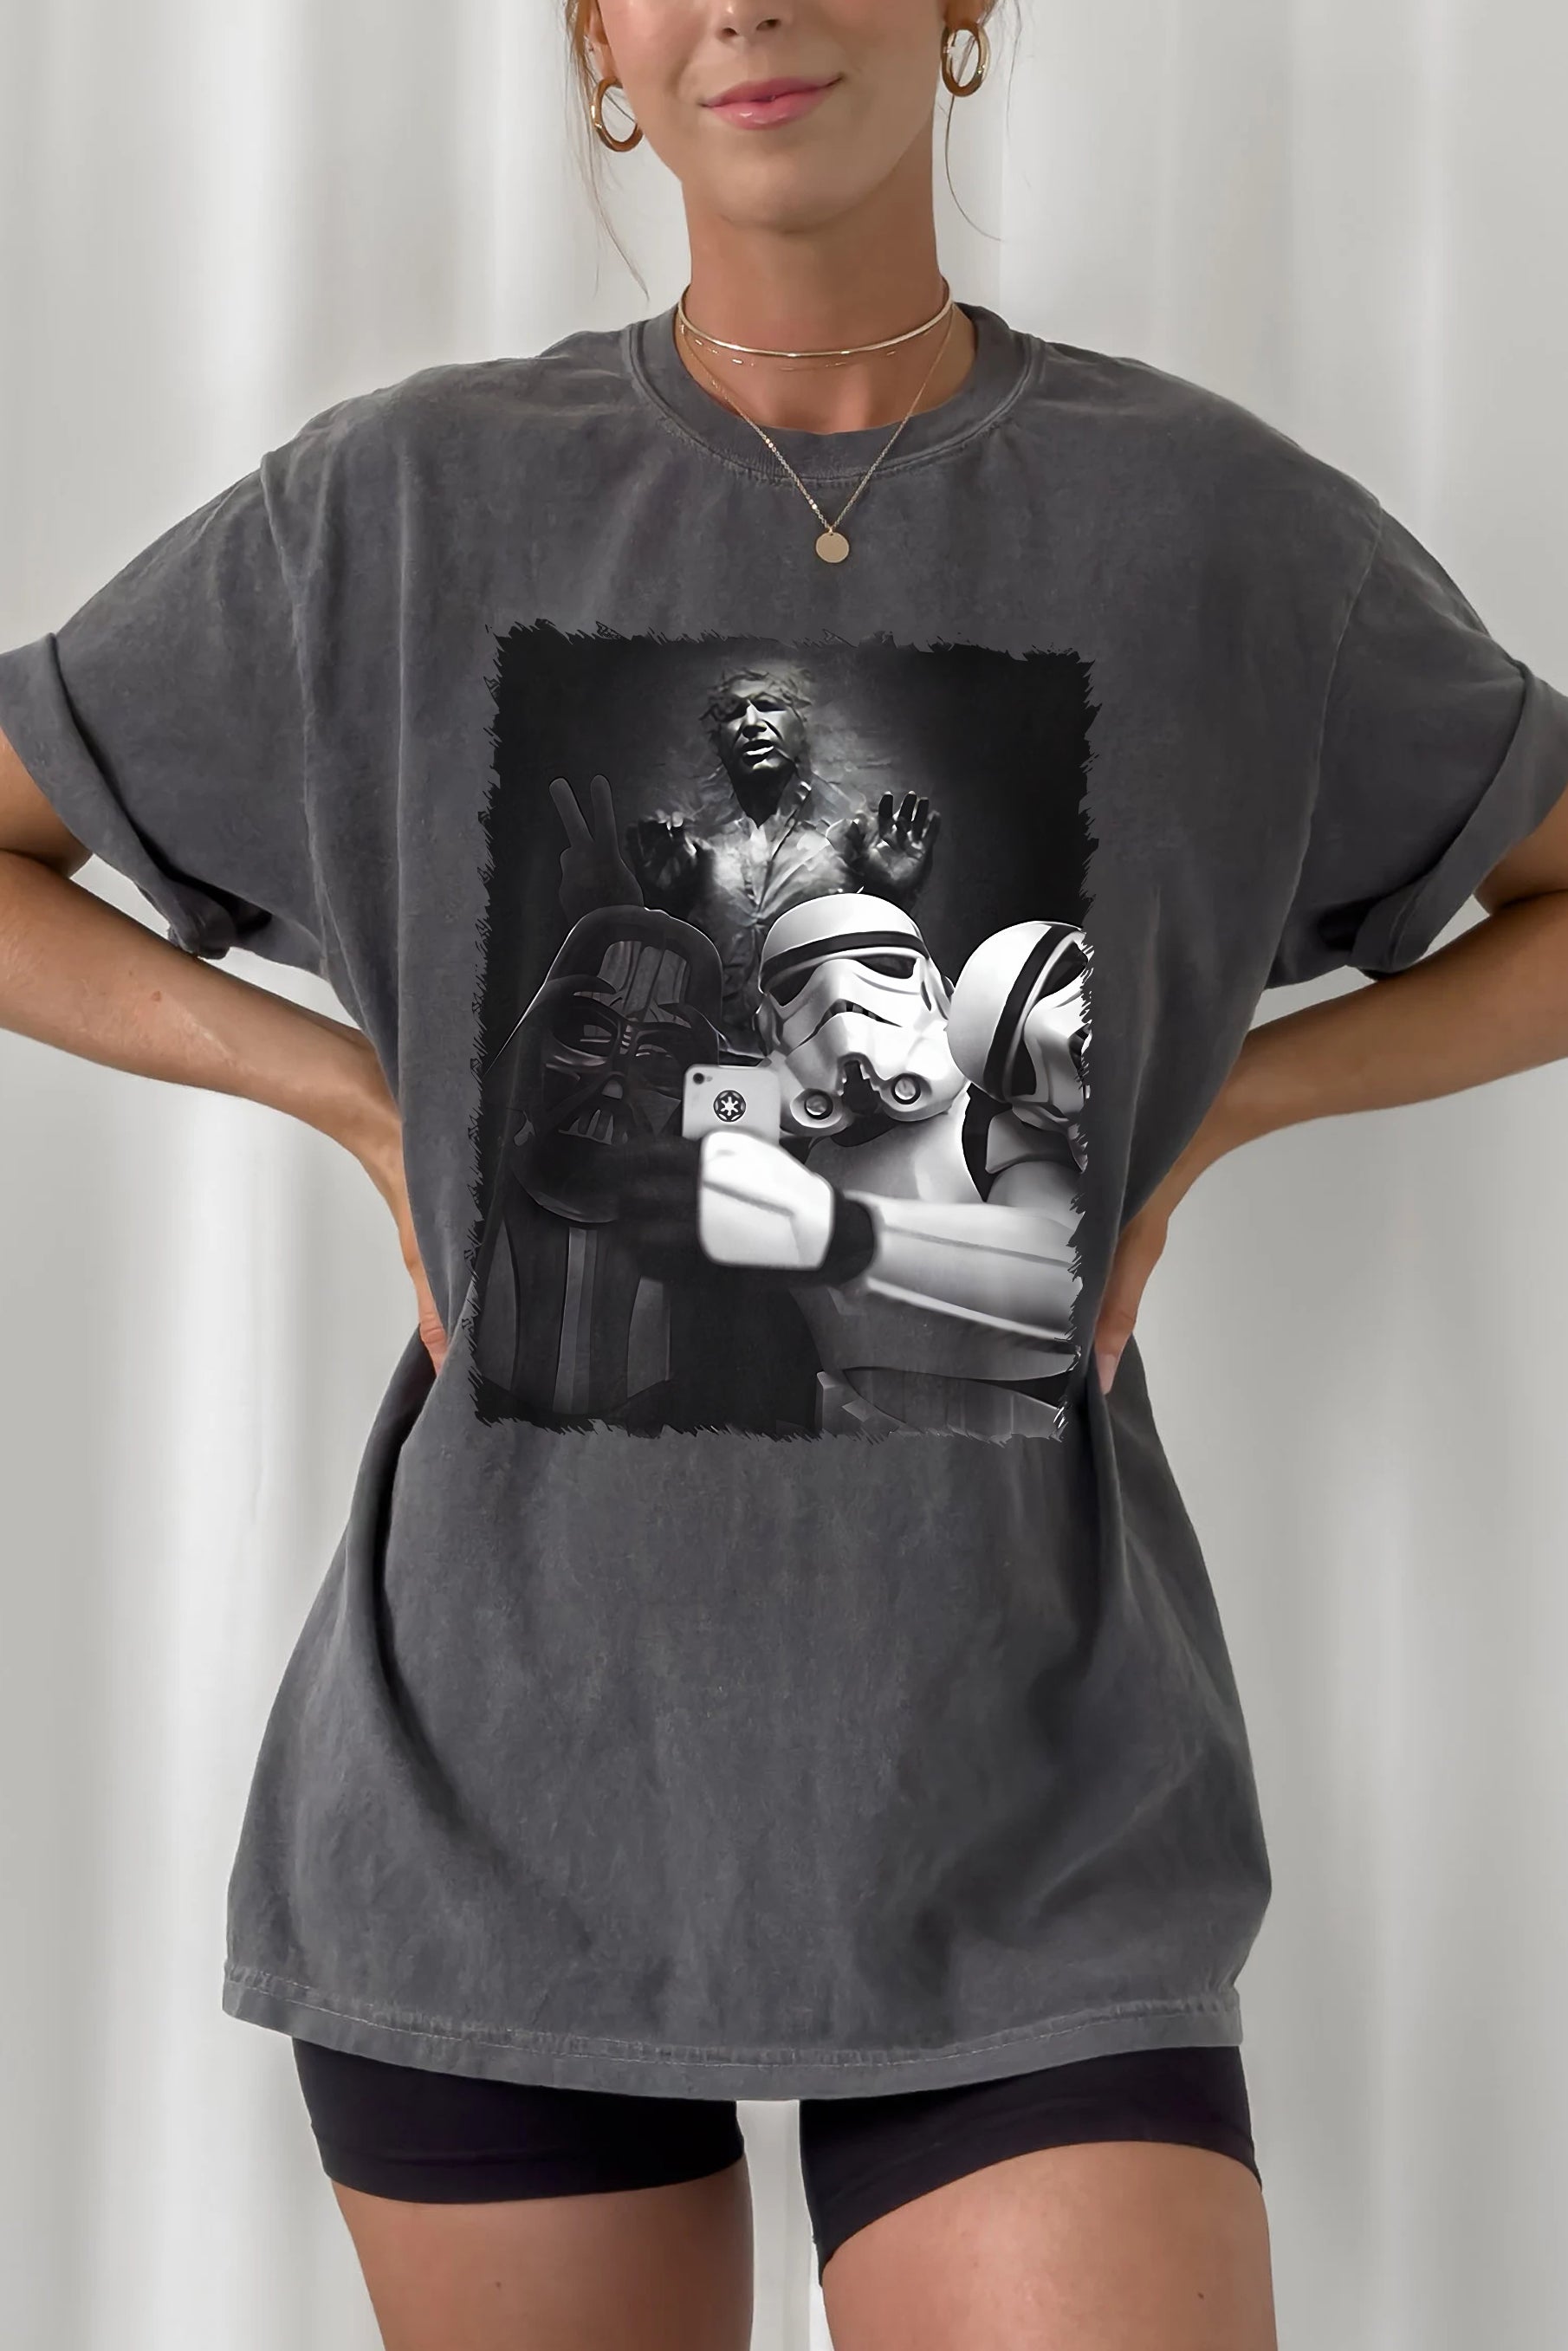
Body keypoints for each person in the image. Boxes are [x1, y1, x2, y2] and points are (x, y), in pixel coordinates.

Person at [2, 3, 1566, 2347]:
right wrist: (349, 1098)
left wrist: (1222, 1110)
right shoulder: (396, 510)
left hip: (1031, 1823)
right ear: (600, 42)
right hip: (497, 1806)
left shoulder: (1218, 530)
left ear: (963, 10)